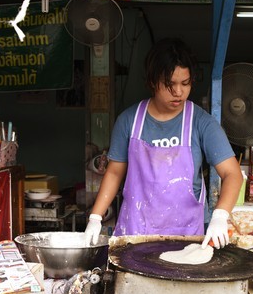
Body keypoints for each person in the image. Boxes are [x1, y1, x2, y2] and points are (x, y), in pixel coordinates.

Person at [84, 38, 242, 248]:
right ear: (152, 82)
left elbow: (232, 173)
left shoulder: (201, 122)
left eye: (185, 84)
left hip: (187, 234)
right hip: (136, 232)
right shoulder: (129, 120)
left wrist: (220, 215)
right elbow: (114, 172)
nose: (178, 92)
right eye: (170, 85)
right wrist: (95, 217)